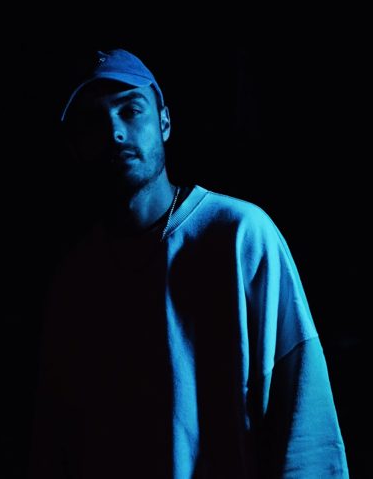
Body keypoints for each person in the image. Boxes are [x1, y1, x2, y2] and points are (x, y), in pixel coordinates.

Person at [27, 48, 349, 478]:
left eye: (131, 110)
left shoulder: (239, 234)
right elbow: (56, 439)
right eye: (93, 121)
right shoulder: (75, 279)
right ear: (75, 146)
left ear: (164, 121)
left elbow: (305, 416)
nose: (115, 132)